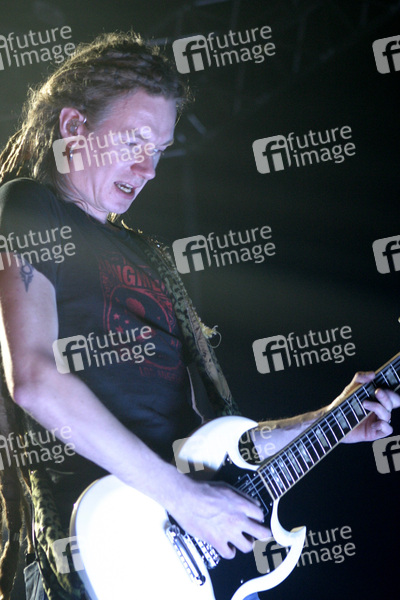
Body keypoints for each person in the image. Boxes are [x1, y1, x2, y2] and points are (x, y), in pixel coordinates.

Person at [0, 31, 398, 600]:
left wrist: (329, 421)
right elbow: (34, 380)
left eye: (160, 150)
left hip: (188, 551)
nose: (148, 168)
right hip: (106, 544)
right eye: (135, 140)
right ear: (73, 127)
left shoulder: (148, 256)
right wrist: (186, 500)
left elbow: (211, 448)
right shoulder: (30, 205)